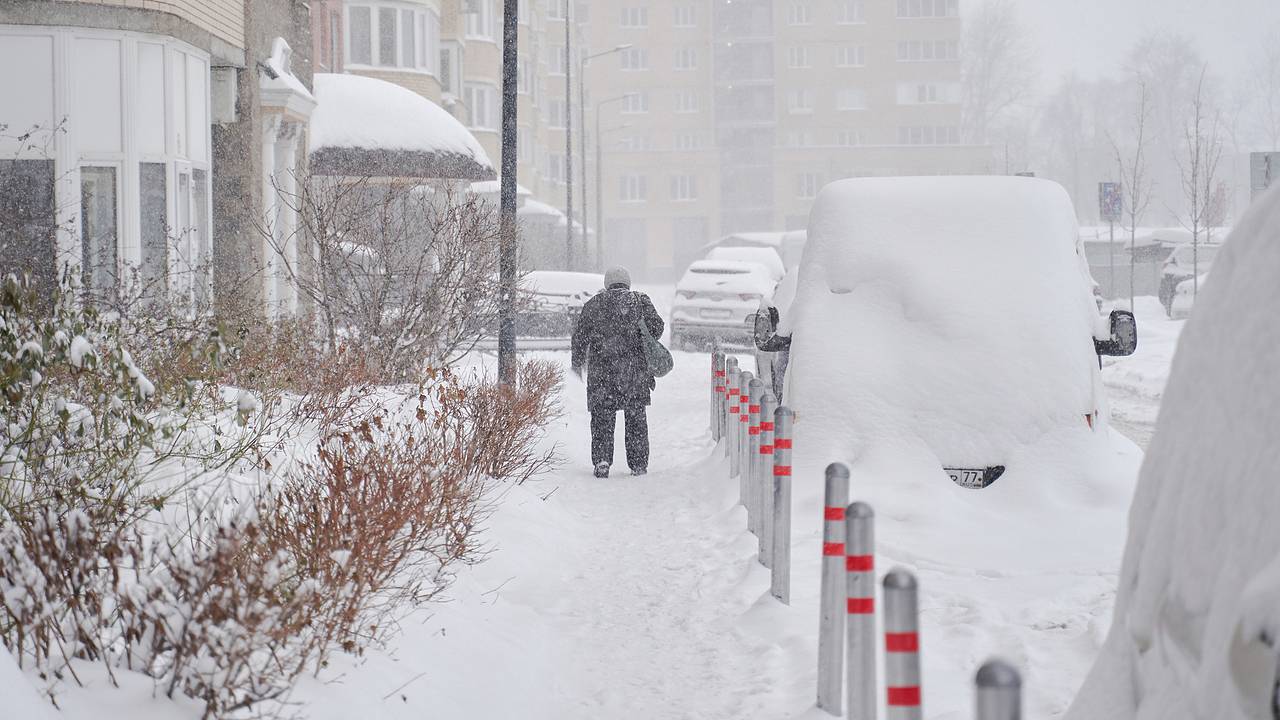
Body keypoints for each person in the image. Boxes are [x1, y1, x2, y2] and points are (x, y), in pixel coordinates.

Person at [570, 266, 664, 478]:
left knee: (602, 418)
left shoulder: (593, 304)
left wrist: (577, 362)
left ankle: (602, 460)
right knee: (636, 420)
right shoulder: (640, 301)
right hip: (634, 372)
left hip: (602, 374)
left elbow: (580, 336)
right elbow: (657, 328)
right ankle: (638, 464)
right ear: (627, 283)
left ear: (607, 283)